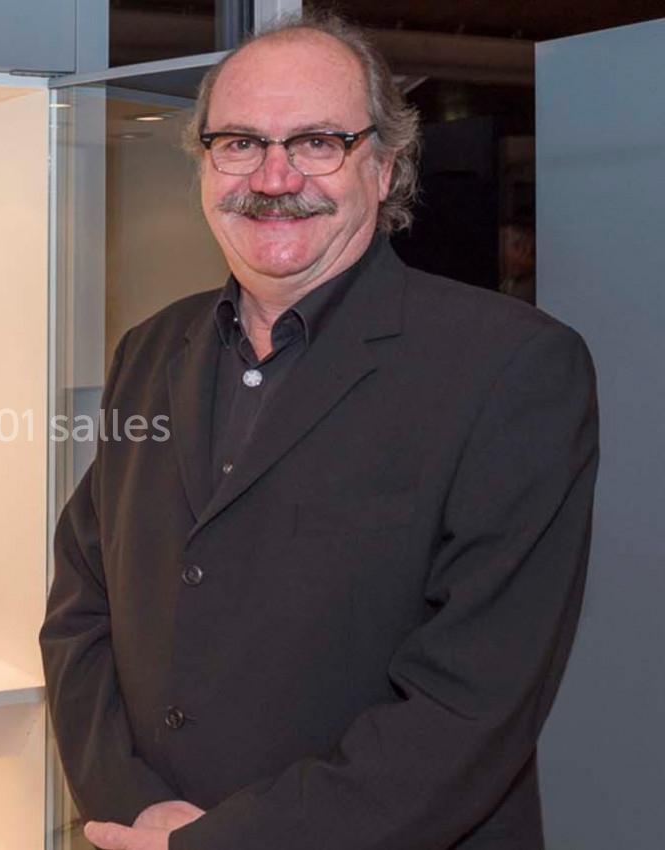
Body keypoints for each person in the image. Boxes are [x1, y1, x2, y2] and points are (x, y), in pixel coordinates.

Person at [39, 12, 598, 850]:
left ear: (383, 167)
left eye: (316, 143)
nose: (272, 176)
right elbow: (83, 603)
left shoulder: (512, 370)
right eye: (239, 142)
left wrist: (220, 842)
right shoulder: (151, 349)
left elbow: (470, 708)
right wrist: (130, 806)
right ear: (204, 164)